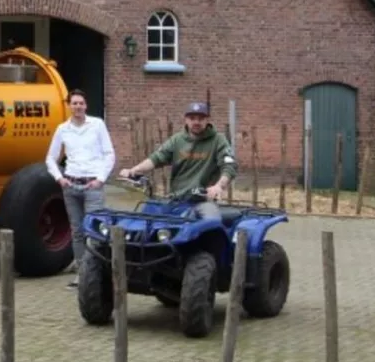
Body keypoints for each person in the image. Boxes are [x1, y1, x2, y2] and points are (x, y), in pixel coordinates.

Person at [44, 89, 115, 287]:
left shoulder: (97, 125)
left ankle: (98, 273)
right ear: (69, 106)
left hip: (92, 184)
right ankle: (83, 273)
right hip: (71, 185)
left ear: (86, 105)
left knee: (96, 229)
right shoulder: (62, 129)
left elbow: (109, 154)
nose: (77, 107)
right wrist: (59, 178)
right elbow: (50, 158)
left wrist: (100, 179)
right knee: (77, 231)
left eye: (81, 103)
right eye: (74, 103)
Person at [118, 101, 237, 218]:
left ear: (207, 120)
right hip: (176, 199)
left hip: (202, 201)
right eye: (192, 118)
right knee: (146, 216)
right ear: (186, 119)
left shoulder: (218, 140)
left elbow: (229, 166)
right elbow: (156, 158)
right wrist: (134, 170)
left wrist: (219, 186)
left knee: (210, 222)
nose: (196, 122)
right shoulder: (177, 140)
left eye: (200, 118)